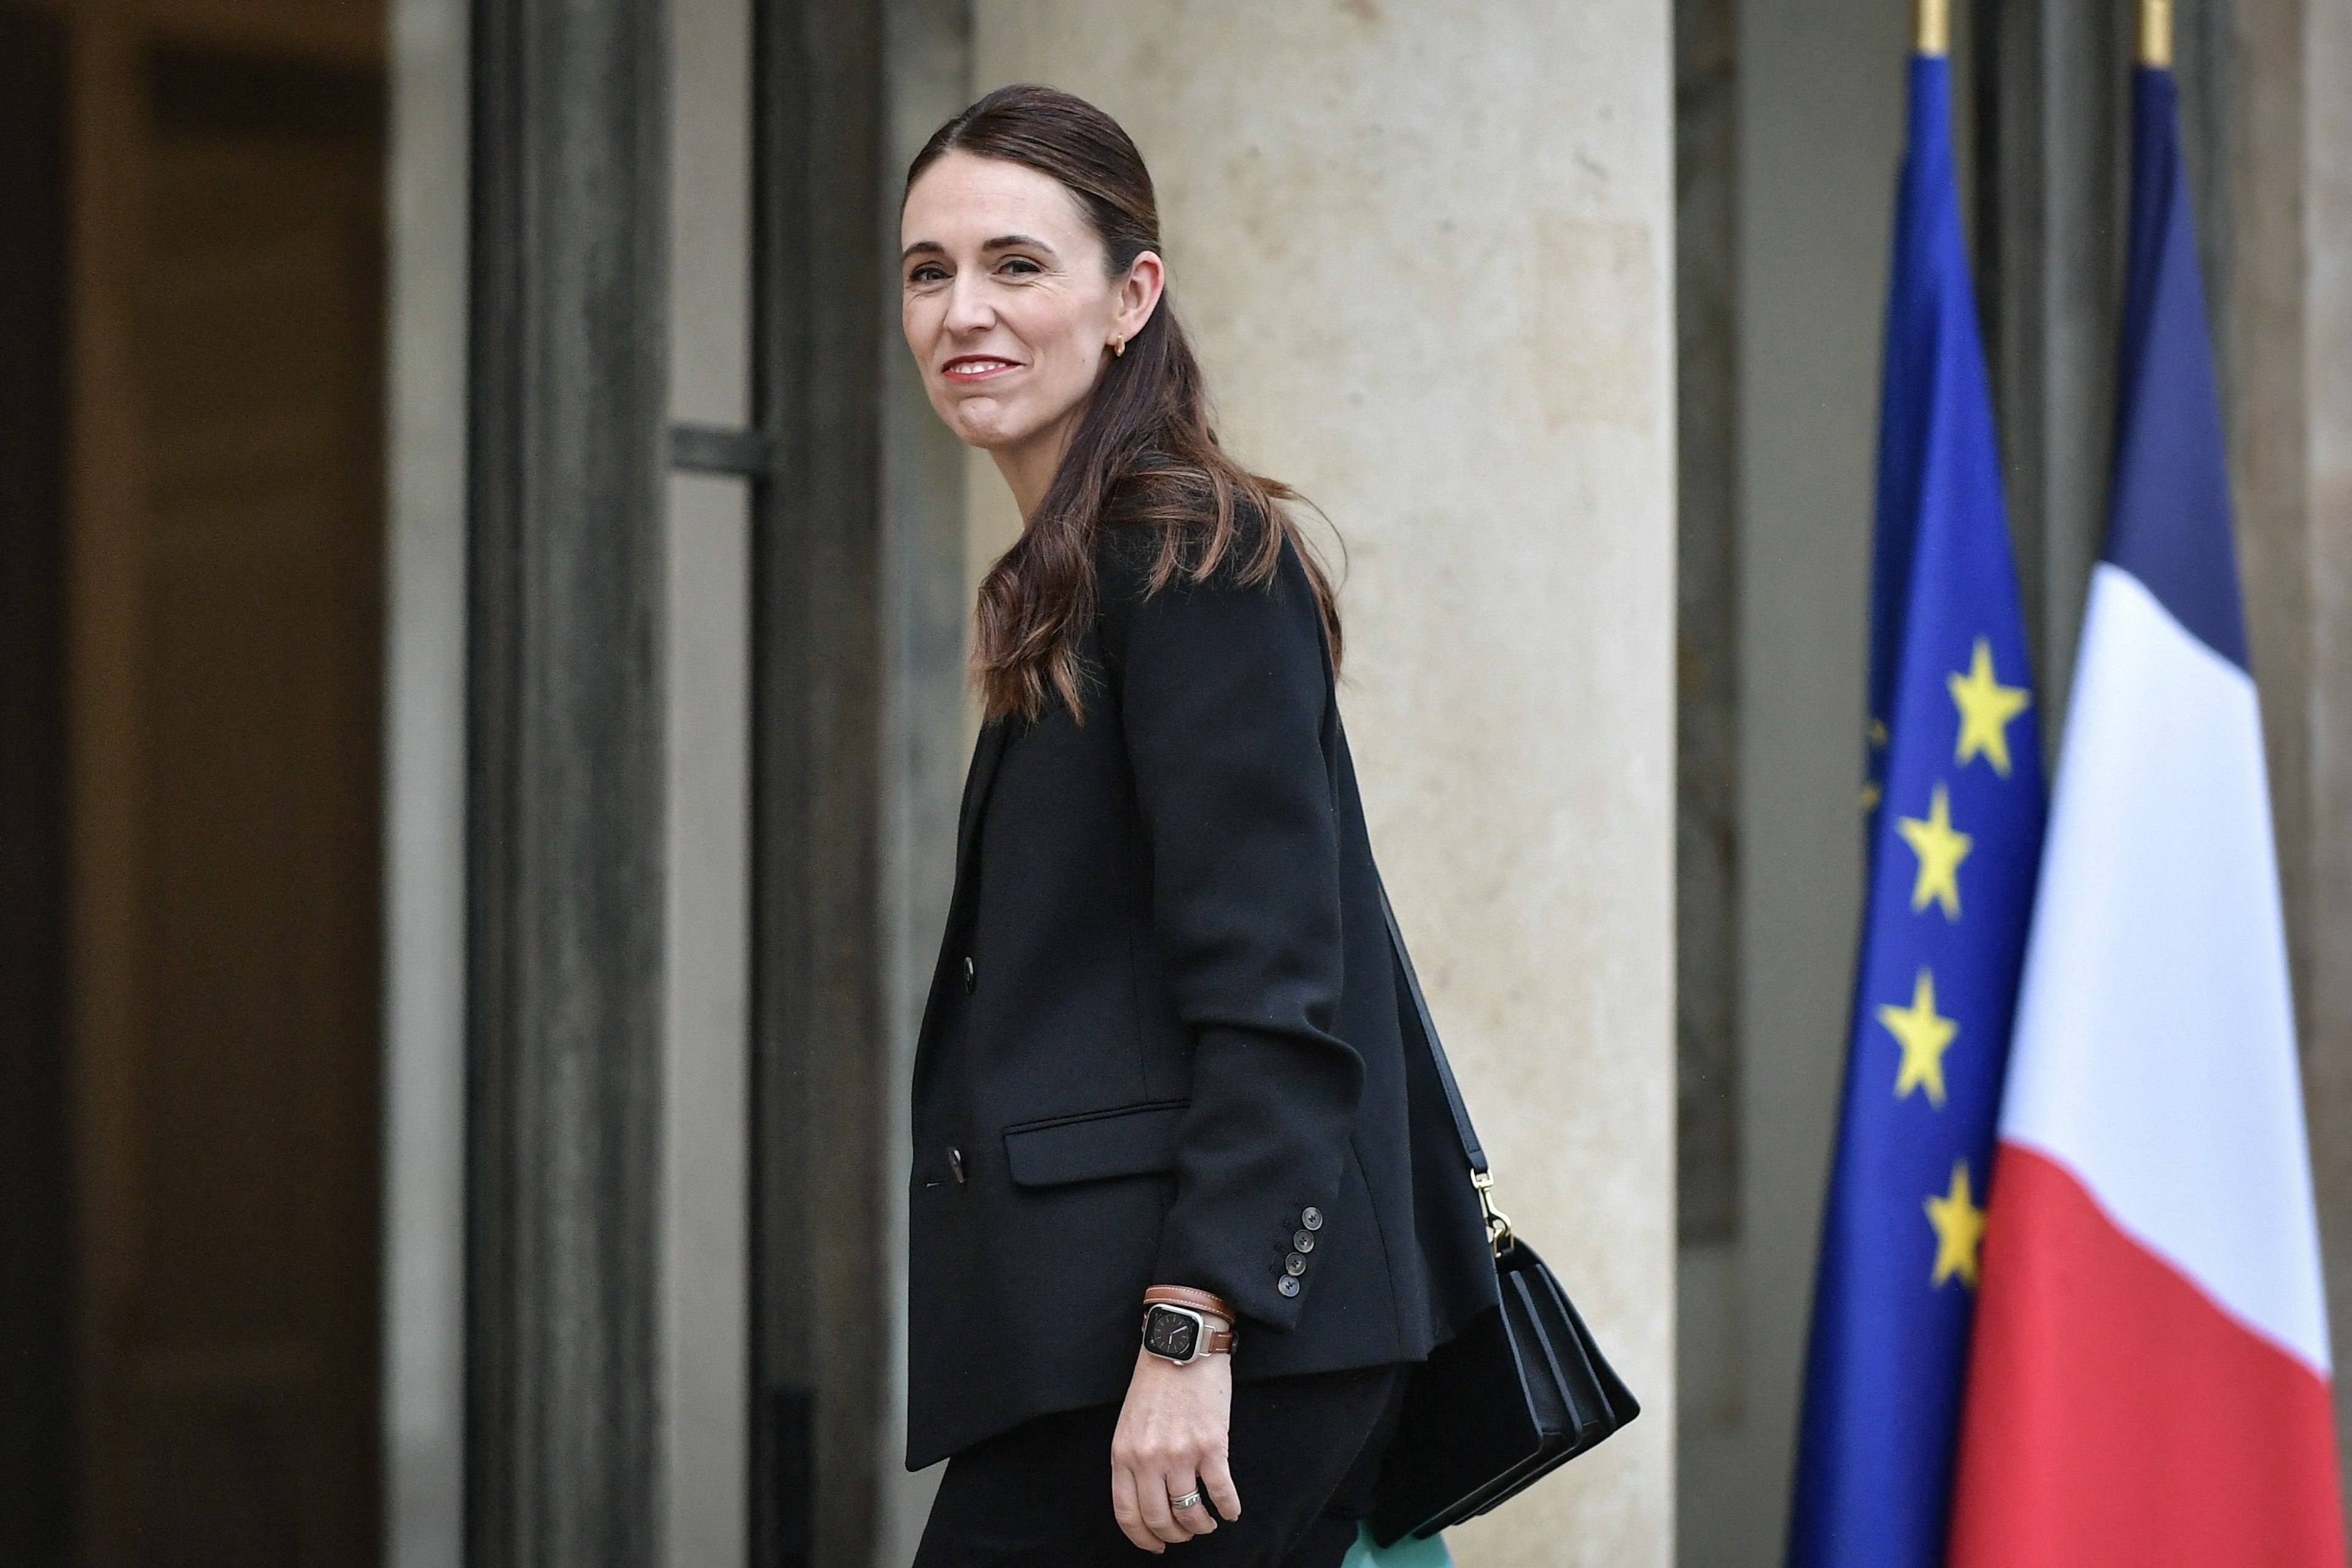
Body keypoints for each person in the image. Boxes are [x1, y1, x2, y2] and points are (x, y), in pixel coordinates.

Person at [899, 84, 1499, 1566]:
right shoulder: (1087, 569)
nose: (962, 310)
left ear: (1129, 297)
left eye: (1016, 266)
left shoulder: (1191, 563)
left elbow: (1272, 988)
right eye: (928, 270)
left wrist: (1191, 1325)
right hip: (1131, 1336)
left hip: (1198, 1349)